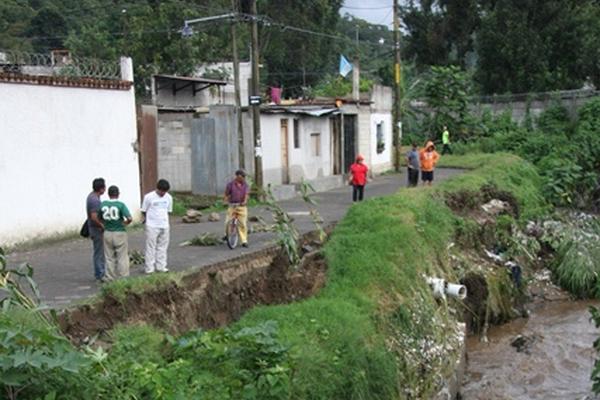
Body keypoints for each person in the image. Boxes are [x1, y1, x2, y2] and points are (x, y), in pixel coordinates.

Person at [100, 185, 132, 281]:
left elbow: (99, 217)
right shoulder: (120, 205)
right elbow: (129, 218)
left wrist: (105, 224)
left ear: (108, 194)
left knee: (109, 256)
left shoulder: (103, 204)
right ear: (118, 194)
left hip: (107, 232)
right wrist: (124, 223)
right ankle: (123, 277)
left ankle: (110, 276)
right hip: (119, 231)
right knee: (122, 255)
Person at [141, 179, 173, 274]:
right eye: (161, 191)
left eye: (165, 191)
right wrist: (149, 220)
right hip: (152, 226)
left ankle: (161, 266)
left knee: (163, 246)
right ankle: (149, 268)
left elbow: (168, 211)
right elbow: (144, 210)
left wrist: (164, 222)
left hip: (164, 225)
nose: (163, 193)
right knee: (151, 247)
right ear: (157, 188)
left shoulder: (169, 198)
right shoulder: (149, 197)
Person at [87, 178, 106, 282]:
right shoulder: (94, 200)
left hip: (94, 228)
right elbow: (94, 217)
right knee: (99, 252)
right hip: (96, 229)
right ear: (102, 188)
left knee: (98, 251)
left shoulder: (92, 197)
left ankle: (99, 272)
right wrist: (102, 226)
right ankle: (100, 273)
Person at [224, 170, 250, 248]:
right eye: (242, 176)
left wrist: (245, 201)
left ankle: (244, 241)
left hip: (241, 206)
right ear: (238, 176)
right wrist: (225, 201)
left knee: (242, 224)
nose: (243, 178)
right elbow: (226, 194)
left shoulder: (245, 185)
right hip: (232, 205)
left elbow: (246, 195)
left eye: (244, 177)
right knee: (227, 221)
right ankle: (227, 234)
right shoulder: (230, 185)